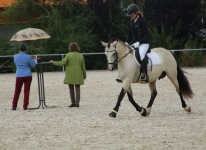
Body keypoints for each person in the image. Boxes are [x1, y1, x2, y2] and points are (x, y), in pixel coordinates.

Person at [49, 42, 87, 107]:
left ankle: (73, 102)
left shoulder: (68, 55)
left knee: (71, 89)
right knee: (77, 88)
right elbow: (83, 67)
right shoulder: (80, 55)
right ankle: (77, 102)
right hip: (78, 74)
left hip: (70, 74)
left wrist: (53, 62)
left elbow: (61, 63)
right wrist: (84, 75)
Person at [125, 4, 150, 82]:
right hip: (135, 43)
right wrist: (126, 42)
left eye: (132, 15)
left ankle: (144, 74)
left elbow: (146, 35)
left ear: (136, 13)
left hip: (144, 43)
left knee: (141, 55)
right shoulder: (130, 22)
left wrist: (139, 42)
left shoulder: (142, 21)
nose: (131, 16)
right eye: (130, 15)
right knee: (127, 54)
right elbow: (129, 35)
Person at [12, 43, 36, 110]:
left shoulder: (15, 56)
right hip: (27, 75)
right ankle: (25, 106)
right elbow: (33, 65)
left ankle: (14, 106)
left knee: (17, 91)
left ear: (19, 49)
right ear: (25, 49)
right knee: (26, 91)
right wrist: (33, 59)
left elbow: (16, 65)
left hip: (19, 75)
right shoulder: (28, 57)